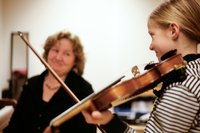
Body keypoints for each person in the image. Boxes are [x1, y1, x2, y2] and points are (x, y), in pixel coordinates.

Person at [82, 0, 200, 132]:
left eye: (152, 35)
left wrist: (110, 122)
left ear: (173, 31)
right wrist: (108, 121)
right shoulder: (192, 73)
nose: (151, 46)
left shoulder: (183, 85)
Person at [4, 31, 96, 133]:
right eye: (55, 50)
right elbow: (14, 126)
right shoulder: (31, 84)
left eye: (67, 54)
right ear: (47, 52)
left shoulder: (83, 90)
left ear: (75, 60)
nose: (58, 57)